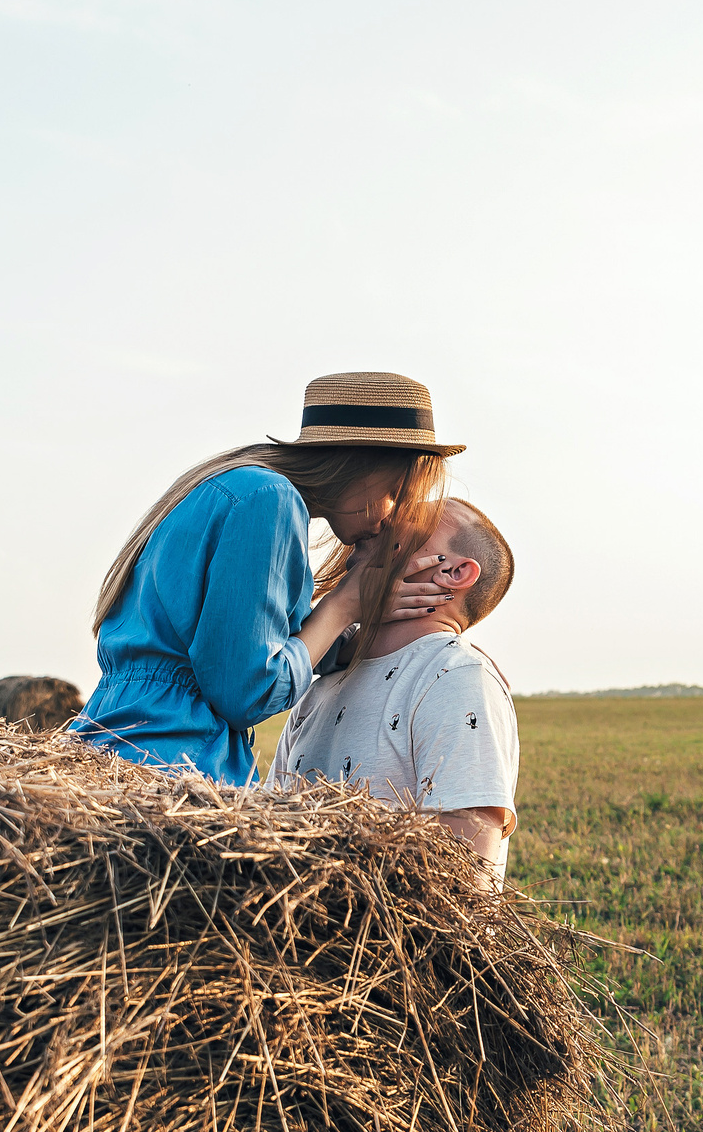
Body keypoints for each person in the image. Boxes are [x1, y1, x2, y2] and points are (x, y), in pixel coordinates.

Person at [71, 371, 461, 783]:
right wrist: (343, 605)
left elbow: (249, 642)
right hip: (173, 760)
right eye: (395, 493)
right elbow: (247, 692)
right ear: (359, 462)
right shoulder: (271, 501)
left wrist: (442, 651)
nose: (389, 517)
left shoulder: (236, 485)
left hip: (122, 742)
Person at [267, 499, 519, 880]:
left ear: (454, 572)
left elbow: (465, 885)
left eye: (414, 518)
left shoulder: (457, 677)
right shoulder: (322, 683)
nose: (382, 519)